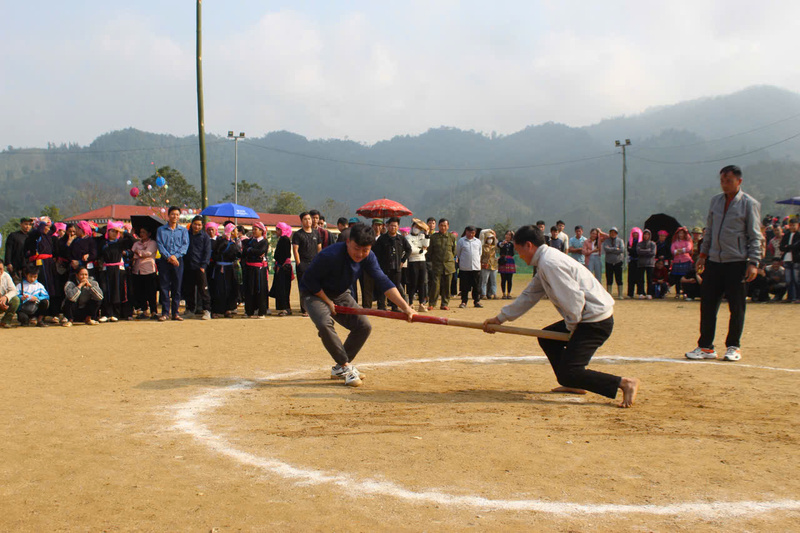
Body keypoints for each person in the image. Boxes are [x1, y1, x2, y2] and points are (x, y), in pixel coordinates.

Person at [482, 225, 639, 408]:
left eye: (519, 250)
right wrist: (500, 318)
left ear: (529, 245)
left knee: (570, 371)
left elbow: (574, 301)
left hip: (594, 320)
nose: (520, 256)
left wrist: (574, 329)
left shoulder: (550, 263)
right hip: (584, 317)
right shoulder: (545, 261)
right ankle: (572, 383)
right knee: (547, 337)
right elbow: (530, 295)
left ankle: (624, 383)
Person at [299, 223, 416, 387]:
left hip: (340, 293)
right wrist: (327, 302)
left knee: (363, 326)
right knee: (324, 324)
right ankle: (346, 367)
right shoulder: (329, 255)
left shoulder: (369, 257)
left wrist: (406, 307)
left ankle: (340, 366)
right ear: (348, 242)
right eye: (356, 248)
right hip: (314, 293)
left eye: (365, 250)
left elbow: (383, 282)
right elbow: (309, 281)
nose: (360, 254)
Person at [686, 165, 762, 362]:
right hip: (714, 262)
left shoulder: (749, 204)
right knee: (708, 305)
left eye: (728, 181)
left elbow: (755, 236)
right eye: (722, 181)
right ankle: (706, 347)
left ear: (739, 181)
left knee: (736, 307)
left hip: (737, 262)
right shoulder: (716, 202)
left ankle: (733, 346)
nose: (724, 184)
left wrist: (753, 262)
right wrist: (702, 255)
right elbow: (709, 231)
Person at [156, 206, 190, 321]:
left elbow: (185, 246)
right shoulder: (161, 230)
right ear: (168, 215)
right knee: (164, 287)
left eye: (177, 214)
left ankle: (175, 313)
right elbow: (160, 245)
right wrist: (169, 256)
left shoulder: (183, 230)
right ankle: (165, 313)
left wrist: (175, 256)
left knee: (177, 287)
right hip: (165, 261)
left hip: (178, 261)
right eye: (172, 214)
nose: (175, 216)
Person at [373, 217, 411, 311]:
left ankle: (395, 306)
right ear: (387, 226)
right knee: (382, 287)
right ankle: (382, 306)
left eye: (395, 226)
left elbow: (409, 250)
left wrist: (403, 260)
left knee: (396, 287)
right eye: (391, 226)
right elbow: (376, 252)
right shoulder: (382, 239)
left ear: (398, 227)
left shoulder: (401, 239)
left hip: (397, 268)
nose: (393, 228)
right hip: (384, 267)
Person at [24, 217, 59, 321]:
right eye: (45, 226)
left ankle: (51, 313)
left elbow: (54, 229)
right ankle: (35, 314)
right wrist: (42, 222)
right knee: (39, 287)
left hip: (49, 264)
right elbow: (39, 231)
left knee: (51, 288)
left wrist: (49, 222)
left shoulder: (47, 235)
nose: (47, 228)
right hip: (38, 264)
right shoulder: (34, 234)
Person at [98, 221, 133, 322]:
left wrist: (123, 231)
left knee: (117, 291)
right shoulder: (103, 243)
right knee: (105, 290)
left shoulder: (120, 242)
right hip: (106, 269)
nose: (114, 233)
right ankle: (105, 313)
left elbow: (133, 240)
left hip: (118, 270)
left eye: (115, 231)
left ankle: (115, 313)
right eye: (112, 231)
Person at [183, 216, 212, 320]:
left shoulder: (205, 237)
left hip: (200, 267)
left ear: (202, 226)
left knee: (203, 290)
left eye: (199, 225)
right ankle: (190, 310)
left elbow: (207, 252)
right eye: (195, 224)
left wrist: (203, 266)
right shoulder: (186, 235)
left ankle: (207, 310)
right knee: (189, 290)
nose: (197, 226)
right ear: (191, 224)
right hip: (188, 266)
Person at [292, 212, 321, 316]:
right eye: (305, 219)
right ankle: (304, 309)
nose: (308, 221)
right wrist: (299, 264)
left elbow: (319, 248)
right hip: (303, 264)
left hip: (314, 264)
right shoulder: (298, 234)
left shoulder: (316, 233)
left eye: (309, 219)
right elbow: (295, 250)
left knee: (315, 287)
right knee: (304, 288)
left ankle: (314, 308)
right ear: (301, 221)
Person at [426, 218, 457, 310]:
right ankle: (432, 303)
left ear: (448, 226)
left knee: (447, 286)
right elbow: (430, 251)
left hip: (449, 266)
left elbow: (454, 251)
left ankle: (444, 304)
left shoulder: (452, 237)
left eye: (445, 225)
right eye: (441, 225)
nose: (443, 227)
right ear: (438, 226)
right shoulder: (434, 237)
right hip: (437, 265)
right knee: (435, 285)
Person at [242, 221, 270, 318]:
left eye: (255, 229)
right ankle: (249, 311)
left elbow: (261, 251)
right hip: (249, 268)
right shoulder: (249, 241)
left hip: (259, 269)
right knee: (249, 289)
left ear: (262, 231)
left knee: (260, 289)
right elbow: (245, 252)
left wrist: (251, 250)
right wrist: (252, 251)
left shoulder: (264, 242)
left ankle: (261, 311)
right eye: (252, 229)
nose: (253, 231)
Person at [131, 227, 158, 319]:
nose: (142, 234)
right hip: (137, 270)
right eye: (141, 232)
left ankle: (154, 311)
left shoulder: (153, 243)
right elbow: (133, 254)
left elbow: (147, 253)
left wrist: (138, 252)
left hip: (149, 270)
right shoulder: (136, 243)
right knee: (140, 291)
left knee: (151, 292)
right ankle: (144, 310)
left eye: (144, 232)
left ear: (149, 233)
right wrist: (139, 253)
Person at [405, 218, 430, 312]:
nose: (417, 229)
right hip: (412, 262)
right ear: (412, 227)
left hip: (422, 261)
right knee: (413, 283)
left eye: (419, 227)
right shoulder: (408, 237)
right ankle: (410, 303)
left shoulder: (422, 236)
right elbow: (411, 250)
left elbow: (426, 244)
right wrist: (422, 250)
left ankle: (421, 304)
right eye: (415, 227)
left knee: (422, 283)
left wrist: (427, 233)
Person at [269, 222, 293, 316]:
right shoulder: (284, 239)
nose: (276, 232)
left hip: (283, 267)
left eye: (278, 229)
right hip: (283, 266)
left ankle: (283, 308)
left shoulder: (284, 239)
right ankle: (286, 307)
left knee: (282, 288)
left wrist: (280, 265)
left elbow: (284, 254)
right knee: (284, 288)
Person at [456, 226, 482, 308]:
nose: (471, 234)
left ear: (475, 233)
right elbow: (458, 253)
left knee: (476, 286)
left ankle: (476, 301)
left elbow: (479, 253)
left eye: (473, 233)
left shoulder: (478, 242)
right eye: (469, 232)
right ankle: (464, 302)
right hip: (465, 268)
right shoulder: (461, 241)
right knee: (464, 287)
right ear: (466, 232)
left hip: (476, 267)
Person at [3, 217, 32, 284]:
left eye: (30, 225)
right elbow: (8, 249)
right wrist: (8, 263)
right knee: (16, 284)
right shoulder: (13, 235)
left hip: (28, 265)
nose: (28, 226)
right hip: (16, 264)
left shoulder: (31, 236)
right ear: (21, 224)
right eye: (26, 224)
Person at [778, 217, 800, 302]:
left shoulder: (798, 235)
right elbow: (781, 247)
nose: (792, 227)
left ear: (798, 226)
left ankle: (798, 297)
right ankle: (790, 297)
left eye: (794, 225)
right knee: (788, 280)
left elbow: (796, 246)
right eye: (791, 225)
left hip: (796, 259)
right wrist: (789, 247)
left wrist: (788, 247)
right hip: (787, 259)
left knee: (796, 279)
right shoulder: (786, 235)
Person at [670, 227, 694, 297]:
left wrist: (678, 250)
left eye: (682, 233)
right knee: (677, 278)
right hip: (677, 261)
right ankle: (677, 292)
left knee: (685, 277)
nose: (681, 234)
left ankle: (685, 292)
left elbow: (688, 248)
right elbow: (672, 251)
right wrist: (683, 250)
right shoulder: (675, 242)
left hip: (686, 260)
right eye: (680, 233)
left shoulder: (687, 242)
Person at [602, 227, 625, 299]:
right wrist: (615, 249)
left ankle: (620, 294)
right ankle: (609, 294)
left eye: (614, 232)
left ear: (617, 233)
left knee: (619, 278)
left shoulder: (620, 241)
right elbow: (606, 249)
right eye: (611, 232)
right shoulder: (606, 241)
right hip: (609, 262)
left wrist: (611, 249)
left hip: (618, 262)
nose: (613, 234)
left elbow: (621, 250)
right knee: (609, 278)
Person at [636, 229, 656, 299]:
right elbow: (638, 252)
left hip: (650, 264)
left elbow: (653, 253)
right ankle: (641, 293)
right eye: (645, 234)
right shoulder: (639, 243)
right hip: (641, 264)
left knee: (649, 279)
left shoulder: (652, 244)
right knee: (641, 279)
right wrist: (648, 250)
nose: (646, 236)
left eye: (647, 234)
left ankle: (649, 293)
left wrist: (643, 251)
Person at [0, 259, 20, 328]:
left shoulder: (6, 276)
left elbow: (14, 290)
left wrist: (6, 297)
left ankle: (5, 321)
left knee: (16, 300)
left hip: (3, 301)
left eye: (1, 269)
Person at [480, 229, 499, 300]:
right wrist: (489, 230)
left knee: (493, 281)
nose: (490, 240)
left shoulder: (494, 246)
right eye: (488, 238)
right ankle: (483, 294)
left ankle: (494, 294)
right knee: (484, 281)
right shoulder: (482, 246)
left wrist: (494, 234)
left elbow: (497, 241)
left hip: (494, 265)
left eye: (491, 238)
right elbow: (482, 233)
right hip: (485, 265)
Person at [498, 230, 517, 299]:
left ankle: (508, 293)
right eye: (507, 234)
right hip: (503, 260)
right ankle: (503, 293)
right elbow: (499, 245)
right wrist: (503, 242)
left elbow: (516, 247)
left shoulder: (512, 244)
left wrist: (514, 237)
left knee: (509, 279)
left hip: (510, 260)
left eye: (510, 235)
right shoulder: (501, 242)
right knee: (503, 278)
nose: (508, 236)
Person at [626, 227, 642, 299]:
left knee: (639, 277)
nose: (635, 235)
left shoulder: (641, 242)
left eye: (636, 233)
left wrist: (633, 250)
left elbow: (638, 251)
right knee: (631, 278)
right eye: (634, 233)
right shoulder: (629, 242)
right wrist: (633, 250)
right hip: (631, 261)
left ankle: (640, 293)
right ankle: (630, 293)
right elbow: (629, 250)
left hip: (639, 261)